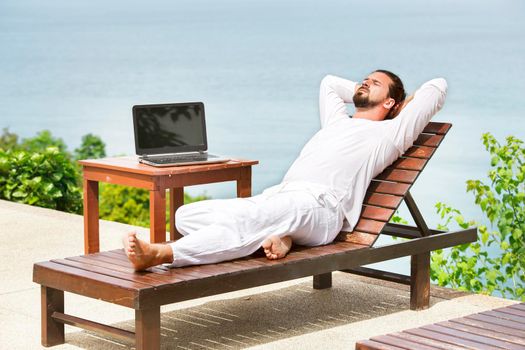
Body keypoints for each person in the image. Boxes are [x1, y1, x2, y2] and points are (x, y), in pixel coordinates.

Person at [123, 70, 447, 271]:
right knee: (185, 215)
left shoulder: (389, 135)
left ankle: (163, 254)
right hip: (283, 197)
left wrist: (401, 107)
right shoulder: (337, 121)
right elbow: (330, 84)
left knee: (246, 220)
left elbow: (437, 87)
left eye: (374, 83)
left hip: (322, 207)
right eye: (364, 79)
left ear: (391, 103)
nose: (364, 83)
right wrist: (368, 91)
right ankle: (283, 236)